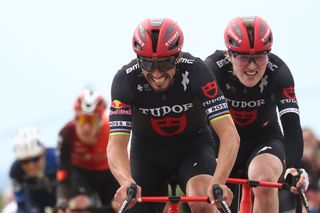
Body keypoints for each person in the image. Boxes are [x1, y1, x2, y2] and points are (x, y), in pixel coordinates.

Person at [107, 18, 240, 213]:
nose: (157, 73)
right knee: (136, 206)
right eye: (148, 64)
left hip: (193, 148)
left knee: (203, 201)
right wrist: (126, 181)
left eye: (165, 62)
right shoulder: (125, 80)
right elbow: (116, 144)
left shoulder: (196, 70)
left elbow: (229, 134)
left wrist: (219, 181)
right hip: (147, 153)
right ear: (138, 59)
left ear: (177, 57)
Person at [205, 16, 309, 212]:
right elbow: (198, 119)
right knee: (208, 188)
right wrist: (209, 153)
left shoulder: (279, 72)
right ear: (229, 54)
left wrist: (295, 166)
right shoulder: (212, 69)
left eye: (260, 57)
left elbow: (291, 124)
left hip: (264, 139)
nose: (252, 67)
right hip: (221, 142)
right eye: (243, 57)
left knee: (263, 180)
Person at [55, 89, 118, 213]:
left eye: (92, 120)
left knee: (120, 205)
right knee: (79, 204)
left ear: (101, 120)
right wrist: (62, 200)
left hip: (109, 172)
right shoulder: (66, 134)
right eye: (82, 119)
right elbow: (63, 171)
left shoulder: (113, 130)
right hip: (81, 173)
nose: (86, 127)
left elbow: (126, 162)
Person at [9, 127, 58, 213]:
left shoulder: (57, 159)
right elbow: (22, 205)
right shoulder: (16, 171)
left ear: (44, 153)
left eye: (35, 159)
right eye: (25, 161)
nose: (31, 166)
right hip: (36, 200)